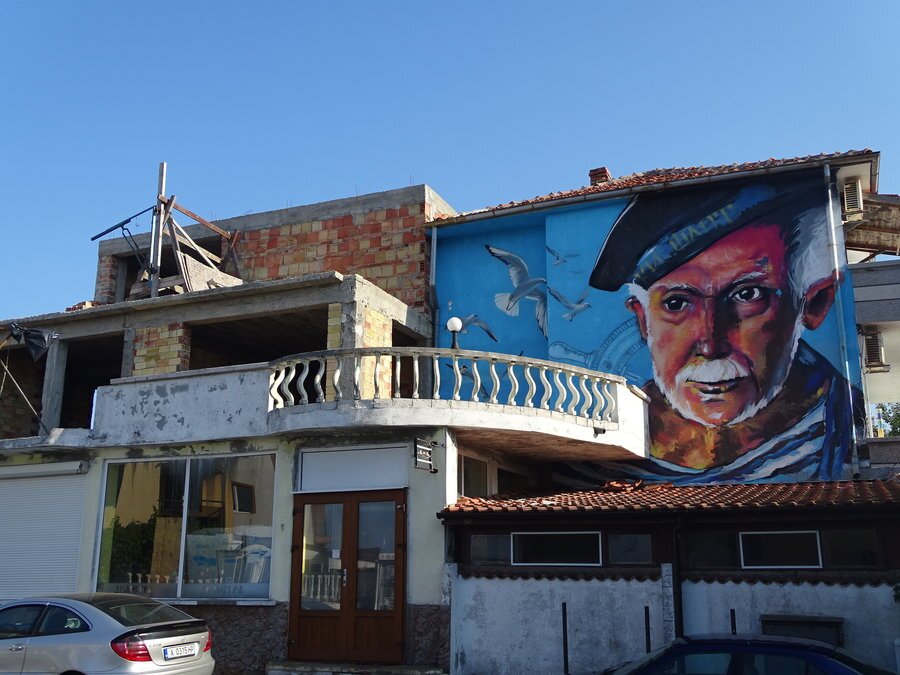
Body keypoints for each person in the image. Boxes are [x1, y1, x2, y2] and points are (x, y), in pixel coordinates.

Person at [586, 174, 860, 482]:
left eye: (747, 295)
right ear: (643, 320)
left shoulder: (849, 432)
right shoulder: (596, 449)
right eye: (676, 303)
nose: (710, 346)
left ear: (814, 304)